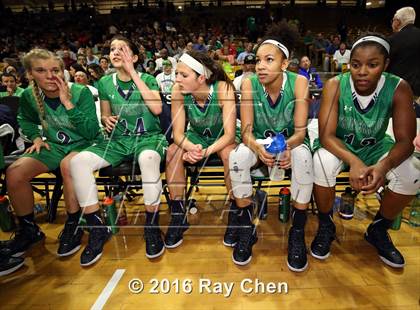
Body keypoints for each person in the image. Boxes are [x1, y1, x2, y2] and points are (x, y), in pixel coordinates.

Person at [312, 34, 419, 268]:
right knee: (320, 161)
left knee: (412, 174)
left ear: (385, 65)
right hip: (340, 144)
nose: (362, 71)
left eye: (372, 65)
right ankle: (326, 224)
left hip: (376, 146)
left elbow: (406, 140)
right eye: (356, 64)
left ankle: (379, 229)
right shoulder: (335, 85)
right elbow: (326, 136)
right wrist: (354, 161)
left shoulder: (399, 87)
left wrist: (383, 166)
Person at [70, 35, 168, 263]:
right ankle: (97, 228)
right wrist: (106, 119)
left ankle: (151, 225)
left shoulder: (148, 78)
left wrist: (133, 72)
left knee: (149, 158)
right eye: (112, 49)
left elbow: (156, 109)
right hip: (119, 140)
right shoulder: (104, 83)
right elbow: (105, 113)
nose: (115, 52)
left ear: (133, 57)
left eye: (122, 49)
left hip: (148, 138)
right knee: (78, 162)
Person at [0, 49, 101, 263]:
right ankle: (28, 230)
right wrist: (36, 137)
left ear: (63, 71)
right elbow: (24, 120)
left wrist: (67, 103)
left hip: (85, 144)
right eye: (41, 70)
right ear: (29, 74)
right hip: (53, 145)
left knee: (69, 165)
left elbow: (92, 132)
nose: (49, 75)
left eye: (55, 70)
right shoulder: (28, 95)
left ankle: (74, 223)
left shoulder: (80, 93)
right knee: (14, 173)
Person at [229, 23, 313, 270]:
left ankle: (297, 233)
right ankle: (247, 229)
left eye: (269, 60)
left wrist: (285, 147)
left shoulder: (299, 83)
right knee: (237, 158)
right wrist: (256, 147)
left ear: (284, 64)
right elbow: (245, 131)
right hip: (260, 143)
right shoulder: (248, 83)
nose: (261, 65)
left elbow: (300, 132)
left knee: (304, 159)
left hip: (291, 142)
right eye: (258, 60)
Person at [165, 50, 237, 249]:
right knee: (172, 152)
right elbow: (177, 134)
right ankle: (179, 214)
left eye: (184, 75)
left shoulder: (223, 88)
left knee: (229, 153)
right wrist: (191, 147)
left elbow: (229, 134)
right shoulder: (177, 91)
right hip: (197, 137)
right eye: (176, 74)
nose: (177, 79)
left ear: (201, 78)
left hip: (222, 136)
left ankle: (235, 210)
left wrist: (203, 153)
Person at [387, 6, 420, 101]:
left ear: (397, 22)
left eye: (393, 20)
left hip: (395, 88)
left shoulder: (394, 39)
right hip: (416, 90)